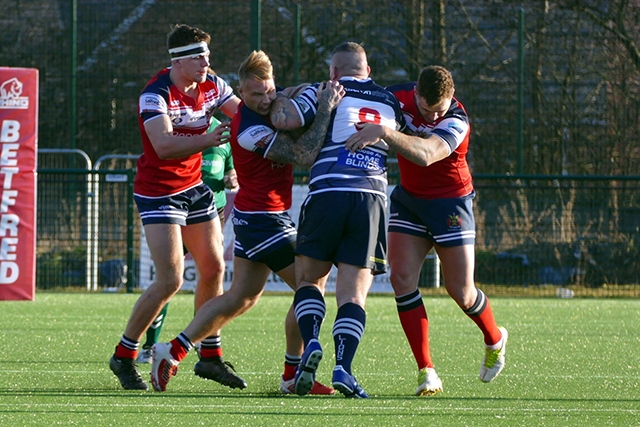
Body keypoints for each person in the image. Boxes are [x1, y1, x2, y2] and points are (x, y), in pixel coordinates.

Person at [148, 50, 345, 393]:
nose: (267, 99)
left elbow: (291, 93)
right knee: (310, 286)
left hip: (260, 217)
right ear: (241, 92)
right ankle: (292, 374)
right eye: (257, 94)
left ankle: (172, 350)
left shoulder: (272, 102)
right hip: (263, 220)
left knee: (241, 296)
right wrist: (326, 107)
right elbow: (304, 155)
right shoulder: (247, 130)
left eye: (270, 90)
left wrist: (304, 91)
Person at [344, 65, 508, 396]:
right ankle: (426, 370)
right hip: (410, 201)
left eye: (439, 110)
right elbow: (355, 99)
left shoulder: (457, 120)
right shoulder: (396, 97)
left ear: (450, 97)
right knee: (401, 279)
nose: (432, 116)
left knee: (461, 292)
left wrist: (385, 132)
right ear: (416, 93)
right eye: (425, 109)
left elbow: (426, 154)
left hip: (451, 204)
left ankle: (495, 338)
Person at [109, 23, 241, 391]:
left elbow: (242, 113)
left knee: (215, 268)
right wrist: (208, 139)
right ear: (178, 61)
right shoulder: (155, 93)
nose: (206, 63)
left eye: (207, 56)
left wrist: (280, 104)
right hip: (159, 192)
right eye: (199, 56)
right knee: (171, 279)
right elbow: (164, 145)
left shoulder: (212, 84)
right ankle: (124, 355)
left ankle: (210, 357)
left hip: (194, 187)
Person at [281, 42, 404, 398]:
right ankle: (343, 368)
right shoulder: (390, 100)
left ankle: (313, 341)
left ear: (334, 71)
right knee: (353, 293)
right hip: (371, 200)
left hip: (327, 194)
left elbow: (286, 119)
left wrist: (288, 95)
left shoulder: (325, 90)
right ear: (368, 71)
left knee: (309, 279)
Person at [136, 116, 238, 365]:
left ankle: (202, 343)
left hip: (214, 210)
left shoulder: (224, 129)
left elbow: (230, 169)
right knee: (169, 279)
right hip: (179, 209)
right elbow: (169, 157)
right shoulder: (178, 123)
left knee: (212, 273)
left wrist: (231, 178)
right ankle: (148, 345)